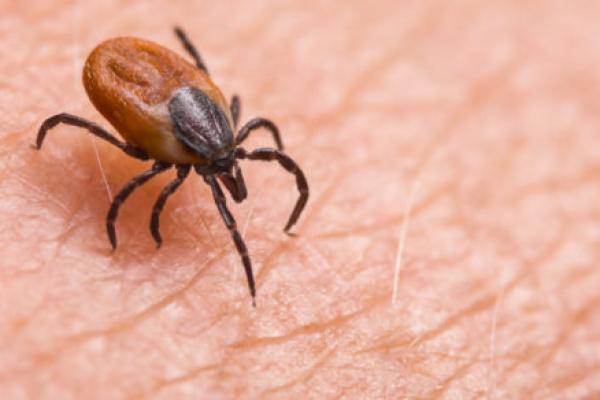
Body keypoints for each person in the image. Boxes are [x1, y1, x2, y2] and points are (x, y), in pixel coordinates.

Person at [0, 1, 598, 398]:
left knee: (159, 178)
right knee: (143, 174)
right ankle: (61, 128)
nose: (233, 177)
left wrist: (167, 202)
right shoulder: (220, 142)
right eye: (229, 167)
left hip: (175, 113)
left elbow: (190, 172)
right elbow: (154, 188)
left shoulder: (219, 148)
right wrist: (145, 217)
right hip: (148, 106)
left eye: (235, 162)